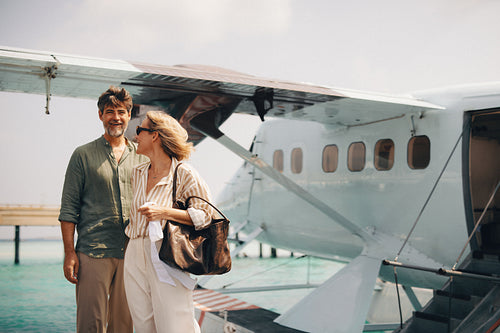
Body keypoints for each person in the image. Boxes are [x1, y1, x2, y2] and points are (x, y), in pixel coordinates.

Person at [58, 86, 147, 333]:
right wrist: (69, 254)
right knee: (91, 325)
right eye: (110, 112)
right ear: (100, 115)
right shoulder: (82, 155)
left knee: (124, 326)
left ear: (129, 115)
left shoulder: (143, 157)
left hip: (132, 253)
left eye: (121, 112)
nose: (115, 117)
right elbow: (68, 209)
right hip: (93, 252)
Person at [124, 111, 215, 333]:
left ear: (155, 135)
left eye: (140, 131)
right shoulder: (138, 173)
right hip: (134, 249)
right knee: (143, 323)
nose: (135, 136)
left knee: (175, 322)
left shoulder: (184, 173)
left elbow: (207, 216)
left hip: (166, 251)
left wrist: (164, 212)